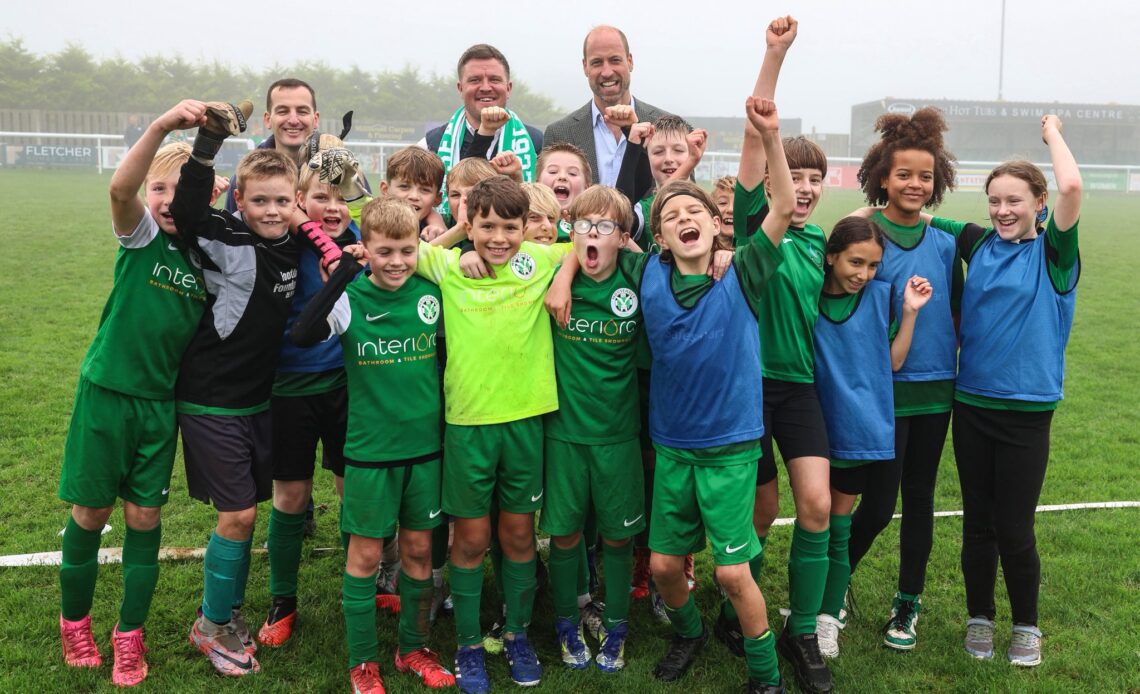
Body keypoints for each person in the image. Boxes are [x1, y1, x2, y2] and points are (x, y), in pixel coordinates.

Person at [549, 95, 794, 694]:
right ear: (656, 237)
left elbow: (784, 207)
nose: (685, 218)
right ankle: (689, 632)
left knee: (732, 574)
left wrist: (771, 138)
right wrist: (565, 271)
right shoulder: (648, 272)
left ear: (714, 224)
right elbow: (599, 238)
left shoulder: (743, 272)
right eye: (671, 215)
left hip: (729, 450)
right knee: (662, 567)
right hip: (672, 448)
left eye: (695, 211)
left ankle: (765, 676)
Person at [170, 101, 348, 677]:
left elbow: (321, 237)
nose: (271, 211)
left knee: (247, 515)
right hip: (212, 400)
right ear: (239, 202)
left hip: (258, 402)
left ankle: (227, 612)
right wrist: (206, 145)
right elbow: (188, 209)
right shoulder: (223, 233)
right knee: (240, 516)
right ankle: (210, 625)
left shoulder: (290, 241)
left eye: (281, 202)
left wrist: (315, 235)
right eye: (260, 201)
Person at [57, 101, 214, 688]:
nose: (168, 201)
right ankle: (75, 624)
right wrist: (161, 127)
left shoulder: (209, 256)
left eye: (180, 190)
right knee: (92, 512)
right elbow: (119, 191)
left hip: (159, 406)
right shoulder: (142, 235)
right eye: (159, 189)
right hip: (107, 393)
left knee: (145, 515)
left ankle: (130, 635)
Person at [291, 197, 456, 693]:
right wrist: (344, 273)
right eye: (384, 252)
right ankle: (363, 662)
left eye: (407, 251)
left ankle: (413, 648)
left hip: (425, 450)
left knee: (419, 553)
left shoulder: (431, 293)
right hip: (369, 454)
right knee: (364, 558)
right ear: (366, 248)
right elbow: (303, 334)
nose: (397, 262)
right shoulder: (351, 299)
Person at [934, 115, 1081, 668]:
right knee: (978, 524)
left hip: (1026, 415)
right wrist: (864, 215)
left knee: (1015, 528)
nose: (1001, 210)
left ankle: (1026, 626)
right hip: (971, 406)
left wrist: (1052, 133)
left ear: (1039, 203)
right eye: (994, 200)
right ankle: (980, 618)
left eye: (1014, 200)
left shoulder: (1054, 256)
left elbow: (1072, 186)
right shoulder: (979, 244)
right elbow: (914, 217)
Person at [415, 176, 573, 692]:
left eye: (509, 227)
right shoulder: (449, 265)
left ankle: (517, 634)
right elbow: (407, 252)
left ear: (526, 227)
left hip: (525, 423)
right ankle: (466, 644)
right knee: (471, 538)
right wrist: (458, 243)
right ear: (470, 224)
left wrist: (565, 277)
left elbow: (590, 246)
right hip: (468, 424)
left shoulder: (539, 259)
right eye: (486, 227)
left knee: (519, 534)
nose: (499, 238)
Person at [845, 105, 960, 653]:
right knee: (876, 503)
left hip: (937, 393)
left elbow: (958, 311)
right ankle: (833, 582)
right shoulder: (868, 236)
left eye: (925, 176)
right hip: (884, 392)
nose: (916, 184)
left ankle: (908, 602)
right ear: (883, 178)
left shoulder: (946, 243)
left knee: (919, 500)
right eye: (904, 174)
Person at [256, 135, 362, 648]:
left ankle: (360, 585)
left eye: (343, 197)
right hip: (289, 389)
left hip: (345, 385)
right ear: (301, 201)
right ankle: (283, 598)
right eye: (322, 196)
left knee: (350, 489)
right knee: (292, 496)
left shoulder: (359, 239)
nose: (334, 207)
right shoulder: (282, 240)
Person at [812, 218, 932, 661]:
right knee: (814, 522)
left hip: (860, 429)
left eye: (873, 265)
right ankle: (811, 607)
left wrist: (911, 312)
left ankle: (827, 613)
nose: (864, 274)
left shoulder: (881, 297)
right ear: (831, 257)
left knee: (840, 524)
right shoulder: (808, 294)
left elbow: (893, 362)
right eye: (855, 262)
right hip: (812, 428)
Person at [540, 185, 644, 673]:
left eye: (605, 227)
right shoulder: (551, 271)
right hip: (563, 434)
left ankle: (617, 624)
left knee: (618, 539)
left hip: (618, 435)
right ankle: (566, 622)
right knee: (564, 536)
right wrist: (565, 270)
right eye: (583, 225)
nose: (592, 235)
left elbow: (678, 262)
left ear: (622, 237)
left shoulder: (637, 274)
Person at [419, 44, 544, 218]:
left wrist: (518, 180)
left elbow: (547, 210)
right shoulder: (431, 145)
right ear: (460, 88)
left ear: (508, 88)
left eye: (494, 80)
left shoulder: (537, 143)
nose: (485, 87)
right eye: (475, 80)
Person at [543, 26, 670, 188]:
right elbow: (546, 199)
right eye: (597, 62)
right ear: (585, 67)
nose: (607, 72)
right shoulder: (559, 133)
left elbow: (685, 192)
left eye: (615, 60)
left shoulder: (667, 127)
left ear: (630, 61)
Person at [224, 78, 321, 212]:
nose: (293, 120)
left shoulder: (337, 172)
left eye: (302, 111)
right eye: (283, 111)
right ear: (268, 120)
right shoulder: (244, 176)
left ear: (315, 119)